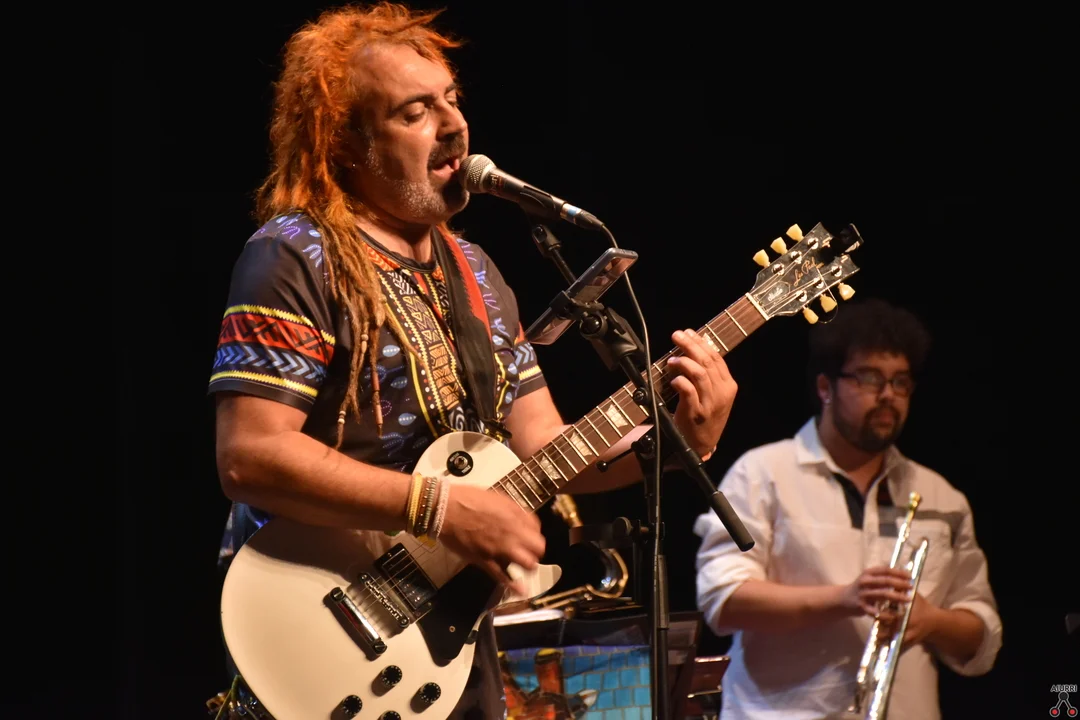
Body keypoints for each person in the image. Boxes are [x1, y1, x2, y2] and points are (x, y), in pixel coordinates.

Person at [206, 3, 739, 718]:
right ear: (347, 144)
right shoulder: (294, 255)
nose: (453, 124)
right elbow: (249, 456)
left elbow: (547, 451)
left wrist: (677, 444)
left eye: (452, 99)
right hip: (317, 629)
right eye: (415, 111)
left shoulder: (478, 273)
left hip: (443, 645)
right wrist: (440, 508)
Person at [693, 298, 1001, 720]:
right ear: (825, 388)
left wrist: (932, 622)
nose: (888, 395)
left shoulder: (941, 497)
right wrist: (844, 598)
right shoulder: (762, 474)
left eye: (901, 382)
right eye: (870, 378)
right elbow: (722, 599)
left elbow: (983, 637)